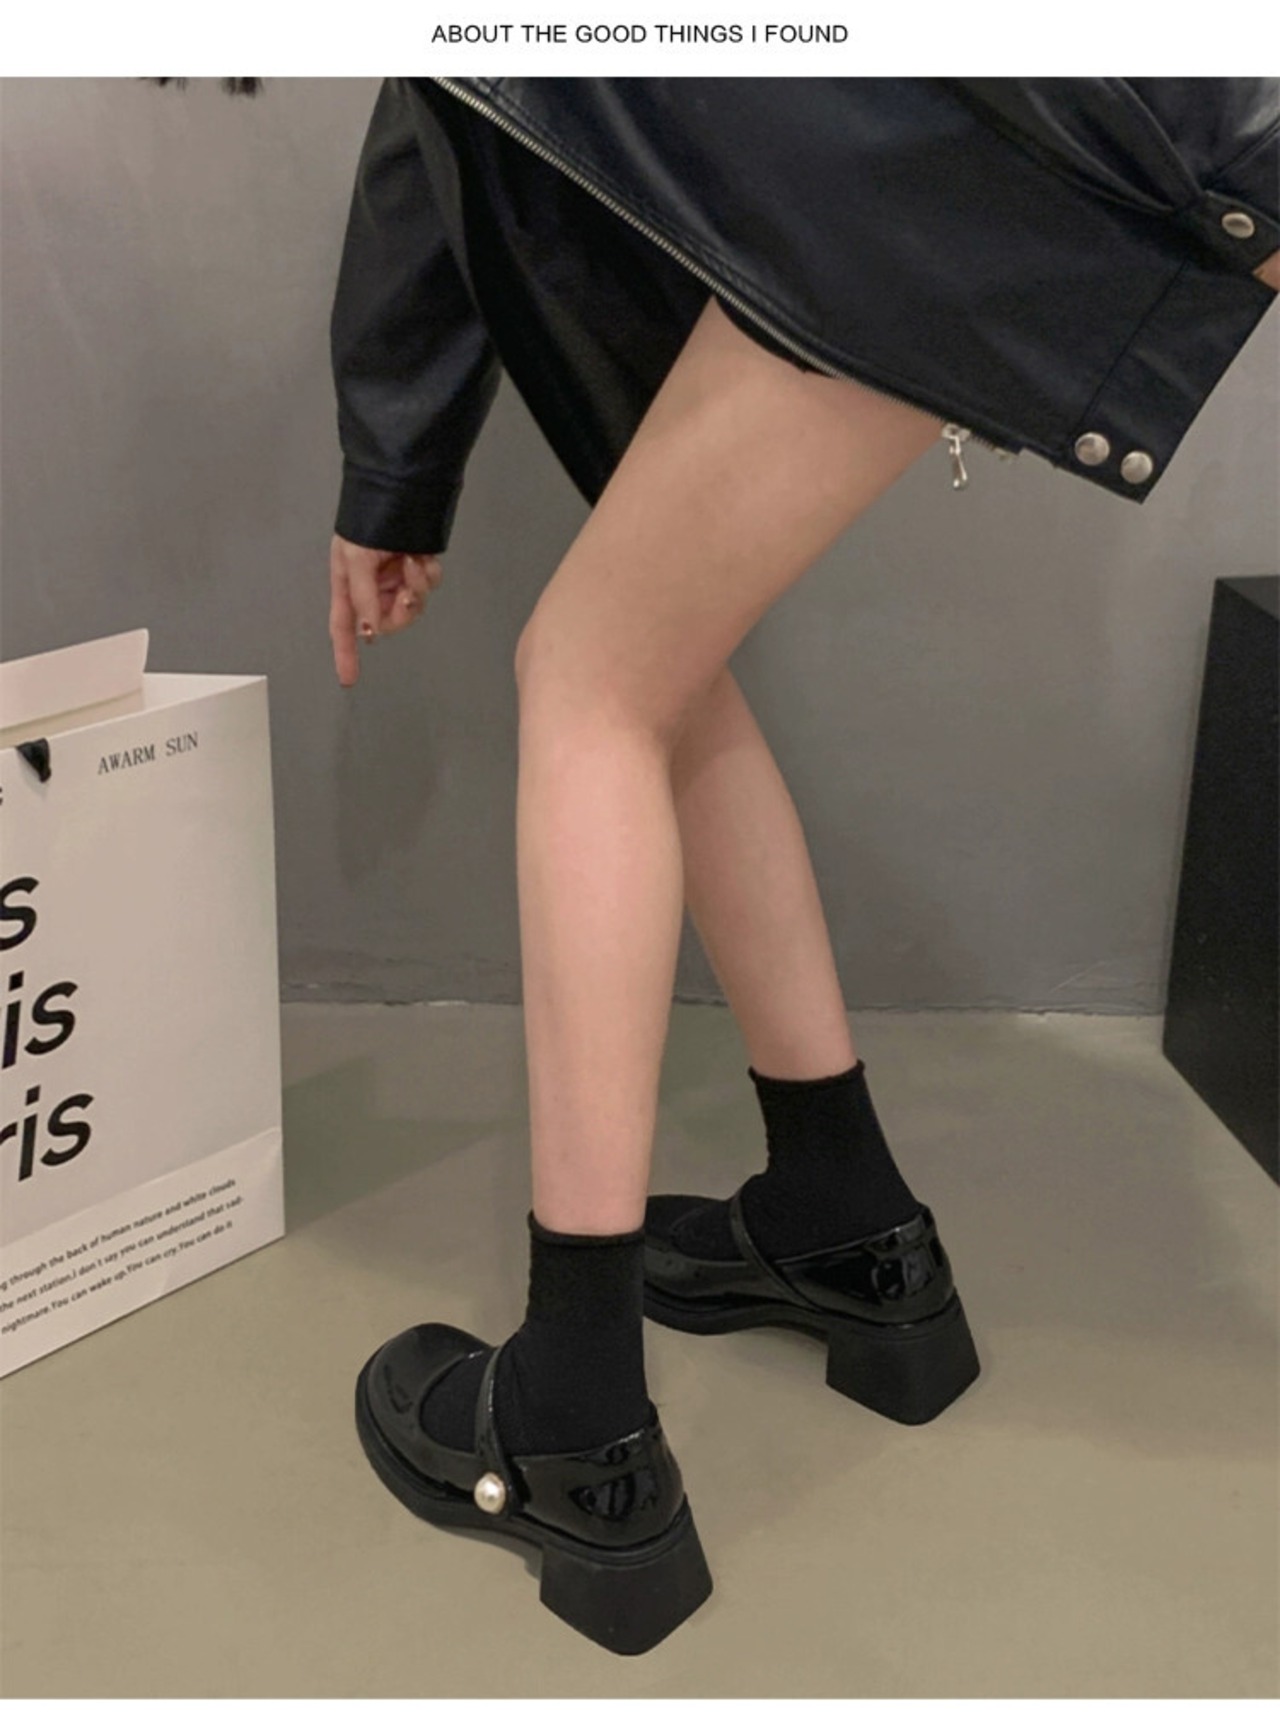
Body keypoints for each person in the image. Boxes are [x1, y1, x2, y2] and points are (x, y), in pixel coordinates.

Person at [154, 75, 1280, 1655]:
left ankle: (576, 1428)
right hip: (1011, 147)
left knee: (589, 681)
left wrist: (391, 470)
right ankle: (848, 1224)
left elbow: (443, 83)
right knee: (654, 660)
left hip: (926, 143)